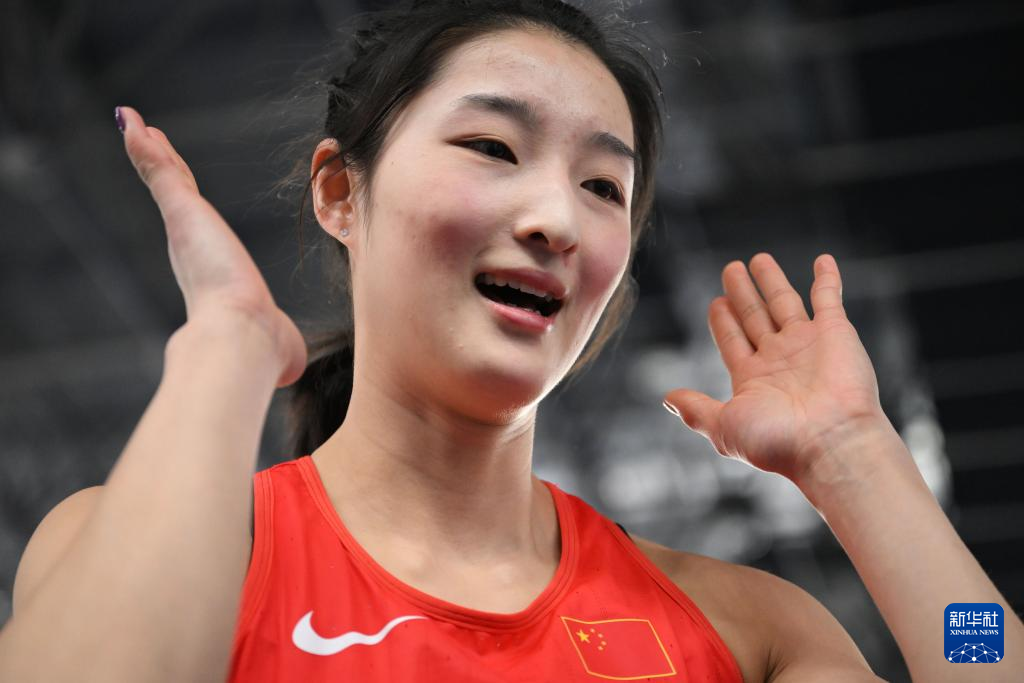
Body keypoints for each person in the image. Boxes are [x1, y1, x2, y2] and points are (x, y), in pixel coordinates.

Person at [1, 0, 1020, 681]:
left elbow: (979, 660)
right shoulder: (155, 552)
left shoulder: (739, 626)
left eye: (603, 186)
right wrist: (224, 346)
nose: (558, 219)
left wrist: (858, 459)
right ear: (341, 190)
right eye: (493, 146)